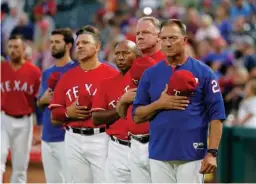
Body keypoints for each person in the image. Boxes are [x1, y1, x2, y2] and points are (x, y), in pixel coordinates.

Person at [132, 19, 226, 183]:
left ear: (184, 41)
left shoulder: (204, 72)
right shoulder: (150, 74)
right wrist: (159, 104)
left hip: (192, 154)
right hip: (159, 154)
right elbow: (137, 115)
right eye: (164, 39)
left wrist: (212, 153)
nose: (167, 43)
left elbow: (217, 115)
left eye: (173, 38)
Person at [49, 25, 118, 183]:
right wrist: (68, 113)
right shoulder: (67, 77)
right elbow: (55, 115)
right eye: (78, 44)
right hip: (72, 138)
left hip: (101, 137)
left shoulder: (111, 74)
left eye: (85, 42)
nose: (80, 46)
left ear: (97, 46)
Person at [116, 16, 165, 183]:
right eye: (138, 33)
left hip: (159, 141)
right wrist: (122, 102)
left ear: (159, 36)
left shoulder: (168, 62)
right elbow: (123, 112)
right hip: (135, 143)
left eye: (146, 32)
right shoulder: (135, 65)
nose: (140, 37)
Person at [91, 40, 139, 183]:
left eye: (126, 53)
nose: (120, 57)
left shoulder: (145, 80)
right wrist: (121, 107)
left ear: (137, 55)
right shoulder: (106, 83)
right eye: (117, 53)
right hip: (117, 148)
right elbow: (96, 118)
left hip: (142, 145)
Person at [36, 28, 76, 183]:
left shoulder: (76, 70)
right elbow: (40, 103)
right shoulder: (47, 73)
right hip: (47, 136)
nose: (53, 45)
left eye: (57, 42)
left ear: (68, 46)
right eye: (51, 42)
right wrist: (42, 100)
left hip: (67, 137)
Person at [1, 35, 41, 183]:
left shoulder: (34, 72)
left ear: (24, 50)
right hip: (3, 118)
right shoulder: (1, 68)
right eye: (10, 47)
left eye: (16, 47)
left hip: (25, 122)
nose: (13, 50)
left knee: (20, 165)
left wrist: (39, 125)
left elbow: (38, 101)